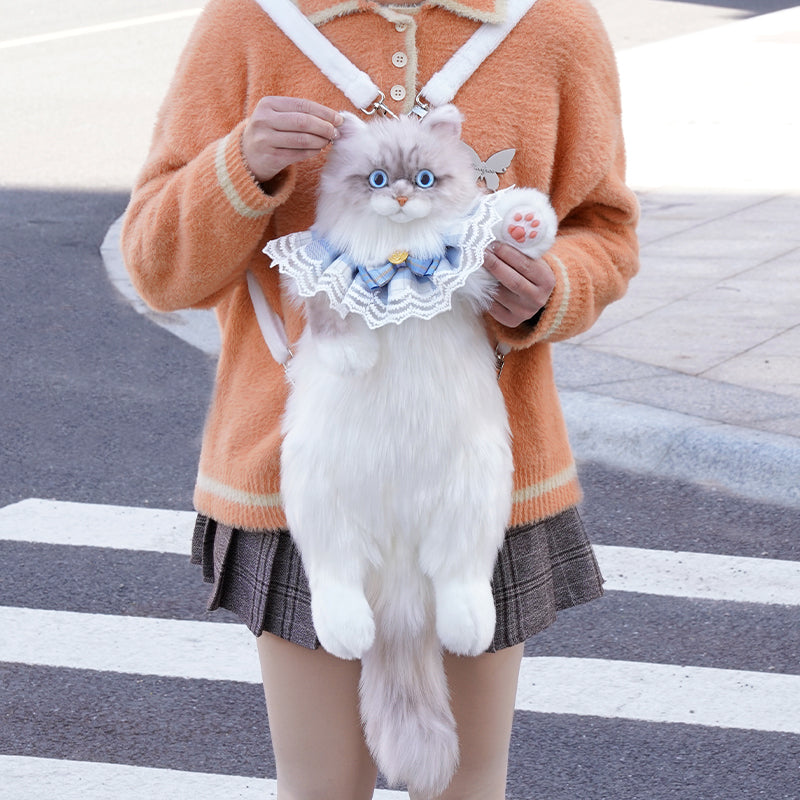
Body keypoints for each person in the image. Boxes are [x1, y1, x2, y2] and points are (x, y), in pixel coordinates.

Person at [121, 0, 639, 797]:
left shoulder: (554, 26)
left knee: (465, 785)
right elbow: (158, 269)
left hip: (480, 478)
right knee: (322, 787)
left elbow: (604, 227)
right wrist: (242, 166)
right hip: (297, 480)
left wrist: (552, 288)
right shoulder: (247, 24)